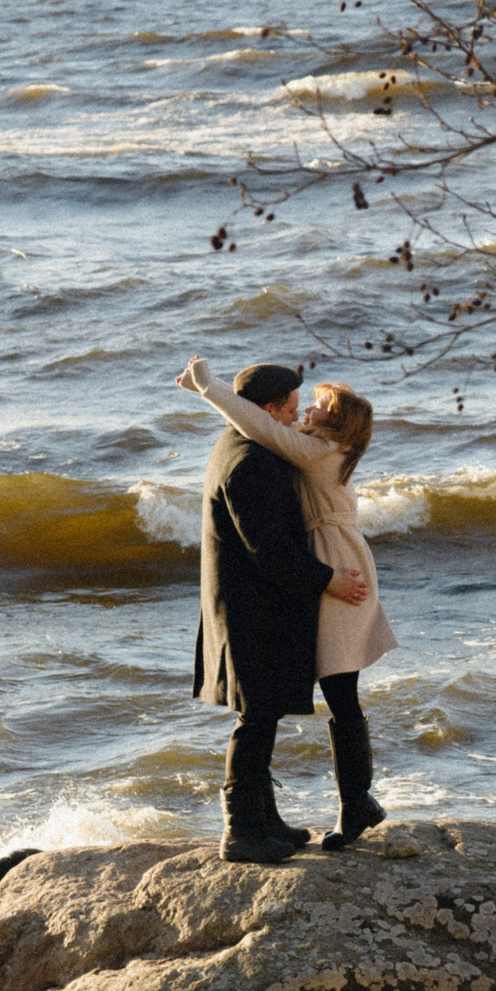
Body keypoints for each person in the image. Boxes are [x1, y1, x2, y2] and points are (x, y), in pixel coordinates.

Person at [180, 356, 397, 852]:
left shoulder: (313, 451)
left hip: (339, 570)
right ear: (272, 406)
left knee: (333, 692)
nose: (303, 414)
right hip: (318, 576)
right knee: (271, 709)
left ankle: (346, 805)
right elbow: (257, 422)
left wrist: (208, 389)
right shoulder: (263, 453)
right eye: (298, 406)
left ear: (336, 423)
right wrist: (208, 388)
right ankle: (252, 825)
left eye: (316, 407)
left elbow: (258, 422)